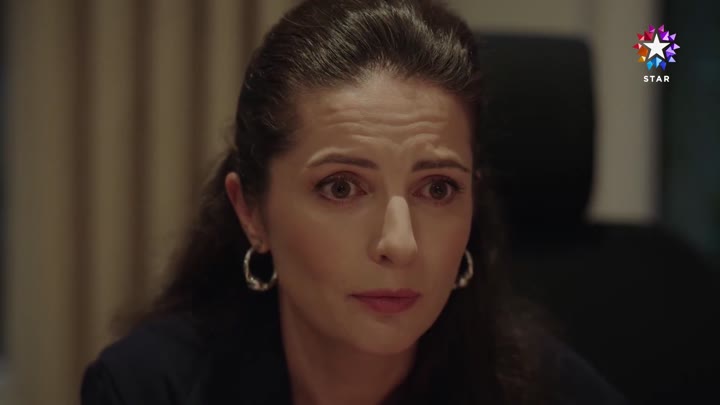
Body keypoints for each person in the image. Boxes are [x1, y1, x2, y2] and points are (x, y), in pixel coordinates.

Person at [80, 0, 629, 404]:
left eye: (438, 188)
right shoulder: (149, 388)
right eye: (341, 187)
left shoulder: (552, 392)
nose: (400, 243)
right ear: (251, 211)